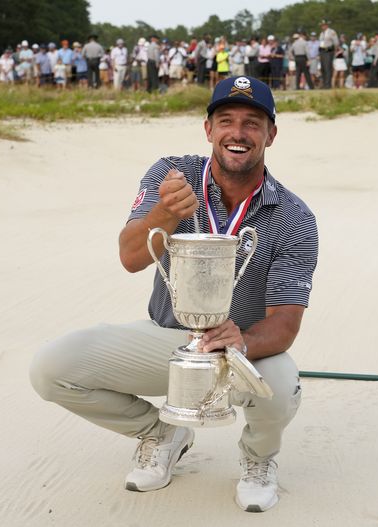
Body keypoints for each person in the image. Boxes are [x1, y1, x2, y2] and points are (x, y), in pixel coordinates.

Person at [30, 74, 318, 513]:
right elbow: (130, 256)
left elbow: (285, 323)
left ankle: (258, 460)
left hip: (238, 354)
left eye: (252, 123)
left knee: (280, 382)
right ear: (208, 129)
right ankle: (162, 433)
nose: (237, 133)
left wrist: (242, 341)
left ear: (271, 134)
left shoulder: (295, 217)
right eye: (226, 120)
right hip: (168, 341)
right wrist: (165, 212)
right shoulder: (171, 174)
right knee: (51, 368)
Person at [318, 20, 339, 89]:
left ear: (326, 25)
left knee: (327, 67)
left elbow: (336, 42)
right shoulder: (321, 33)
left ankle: (328, 84)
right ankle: (324, 83)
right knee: (323, 68)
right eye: (321, 25)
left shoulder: (331, 32)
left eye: (323, 25)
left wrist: (335, 51)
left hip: (328, 51)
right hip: (322, 51)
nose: (322, 26)